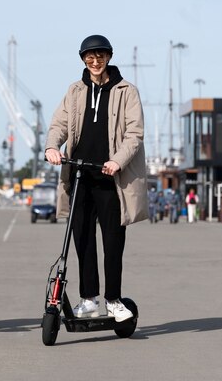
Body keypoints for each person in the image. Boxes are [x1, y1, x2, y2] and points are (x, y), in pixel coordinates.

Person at [45, 34, 148, 322]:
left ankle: (113, 299)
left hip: (111, 177)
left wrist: (117, 160)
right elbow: (59, 124)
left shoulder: (127, 90)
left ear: (109, 57)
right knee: (83, 239)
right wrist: (52, 146)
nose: (95, 61)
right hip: (79, 175)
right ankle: (89, 298)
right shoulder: (75, 90)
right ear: (83, 59)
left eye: (100, 55)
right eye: (89, 57)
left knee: (113, 240)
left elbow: (134, 133)